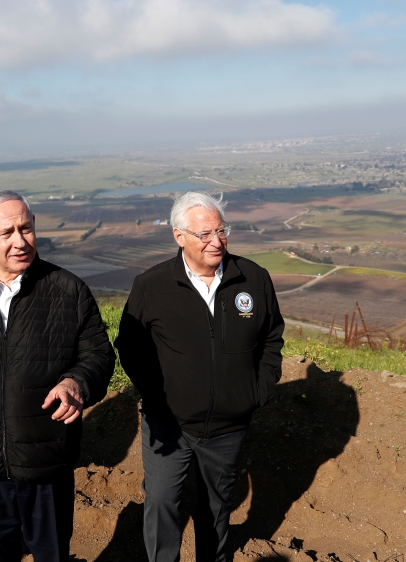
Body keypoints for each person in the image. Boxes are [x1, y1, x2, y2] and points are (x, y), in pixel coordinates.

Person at [0, 190, 115, 562]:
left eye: (25, 229)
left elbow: (99, 354)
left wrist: (77, 381)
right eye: (7, 232)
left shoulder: (68, 291)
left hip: (46, 458)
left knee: (52, 556)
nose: (19, 241)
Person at [115, 191, 284, 562]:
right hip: (168, 425)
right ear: (179, 237)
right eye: (204, 234)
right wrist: (157, 397)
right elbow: (130, 346)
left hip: (228, 426)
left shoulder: (253, 278)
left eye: (221, 231)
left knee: (216, 508)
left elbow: (272, 337)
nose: (216, 241)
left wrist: (257, 392)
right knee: (162, 504)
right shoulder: (152, 286)